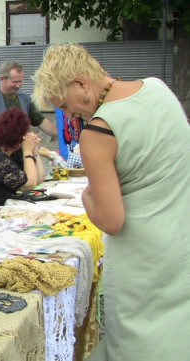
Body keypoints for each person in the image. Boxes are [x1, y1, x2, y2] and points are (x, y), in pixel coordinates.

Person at [32, 43, 190, 361]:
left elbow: (111, 220)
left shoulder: (99, 131)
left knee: (139, 345)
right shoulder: (158, 89)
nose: (68, 114)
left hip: (143, 263)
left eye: (66, 105)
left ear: (80, 83)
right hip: (181, 244)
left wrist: (89, 195)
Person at [0, 61, 58, 140]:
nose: (18, 85)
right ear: (2, 79)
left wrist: (61, 135)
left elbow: (40, 121)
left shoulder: (25, 98)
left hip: (19, 153)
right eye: (14, 82)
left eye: (20, 81)